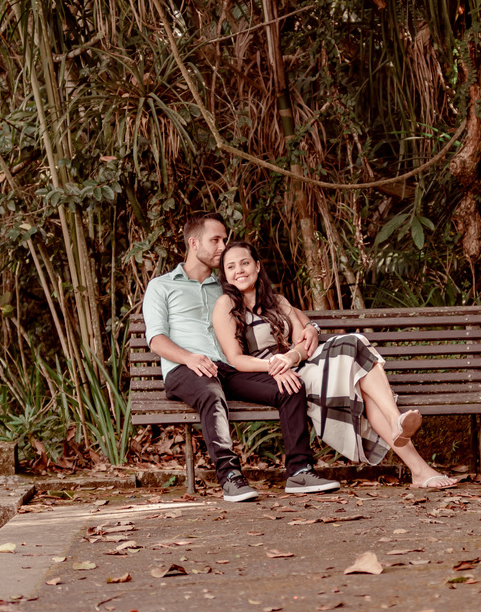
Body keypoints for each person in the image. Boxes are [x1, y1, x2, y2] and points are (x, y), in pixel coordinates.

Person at [212, 240, 459, 490]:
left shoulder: (278, 301)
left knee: (359, 364)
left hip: (301, 364)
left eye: (244, 263)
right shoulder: (226, 305)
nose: (239, 270)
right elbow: (235, 359)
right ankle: (412, 454)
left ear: (257, 265)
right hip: (275, 375)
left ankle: (413, 457)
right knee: (357, 351)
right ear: (225, 275)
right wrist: (277, 365)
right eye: (231, 267)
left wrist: (291, 357)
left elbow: (301, 342)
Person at [142, 213, 341, 501]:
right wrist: (189, 358)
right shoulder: (161, 286)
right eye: (216, 240)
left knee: (290, 386)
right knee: (210, 391)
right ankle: (231, 476)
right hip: (185, 370)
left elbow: (276, 304)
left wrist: (309, 325)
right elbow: (156, 339)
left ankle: (299, 471)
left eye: (224, 239)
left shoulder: (226, 286)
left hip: (228, 367)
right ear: (193, 243)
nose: (223, 246)